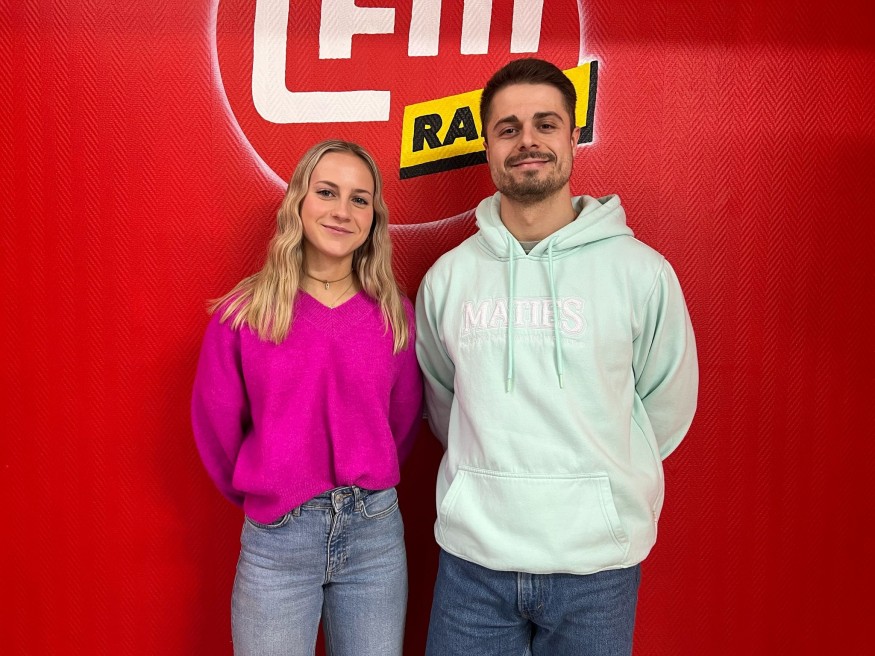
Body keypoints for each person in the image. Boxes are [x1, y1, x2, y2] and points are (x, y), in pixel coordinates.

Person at [415, 58, 699, 656]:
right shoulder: (447, 279)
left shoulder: (641, 273)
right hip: (473, 563)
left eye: (546, 124)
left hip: (596, 569)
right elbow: (443, 401)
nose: (528, 141)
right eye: (508, 128)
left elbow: (664, 408)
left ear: (573, 138)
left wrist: (600, 491)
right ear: (488, 147)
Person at [191, 140, 423, 656]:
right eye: (327, 192)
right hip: (278, 540)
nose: (342, 211)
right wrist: (272, 490)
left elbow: (402, 424)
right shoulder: (244, 315)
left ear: (374, 218)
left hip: (374, 538)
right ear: (298, 200)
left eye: (360, 199)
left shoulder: (395, 315)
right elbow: (217, 430)